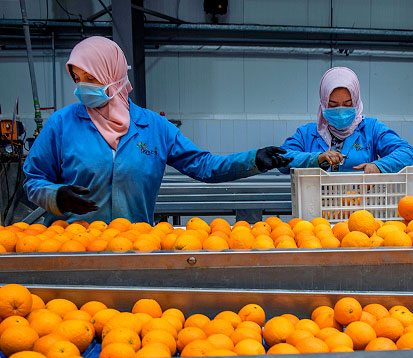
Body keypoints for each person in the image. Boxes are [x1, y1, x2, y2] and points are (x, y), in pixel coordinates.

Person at [23, 36, 291, 225]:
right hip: (73, 249)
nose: (83, 88)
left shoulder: (153, 128)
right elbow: (33, 180)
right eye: (78, 79)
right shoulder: (61, 125)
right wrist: (55, 196)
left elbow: (204, 165)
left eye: (92, 79)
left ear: (113, 75)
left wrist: (253, 160)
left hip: (133, 247)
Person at [280, 66, 413, 174]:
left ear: (356, 102)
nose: (340, 110)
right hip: (315, 205)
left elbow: (407, 153)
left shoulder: (371, 129)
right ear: (323, 103)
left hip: (360, 206)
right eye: (332, 105)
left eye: (347, 104)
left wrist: (378, 166)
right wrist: (317, 159)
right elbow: (281, 159)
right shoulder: (307, 134)